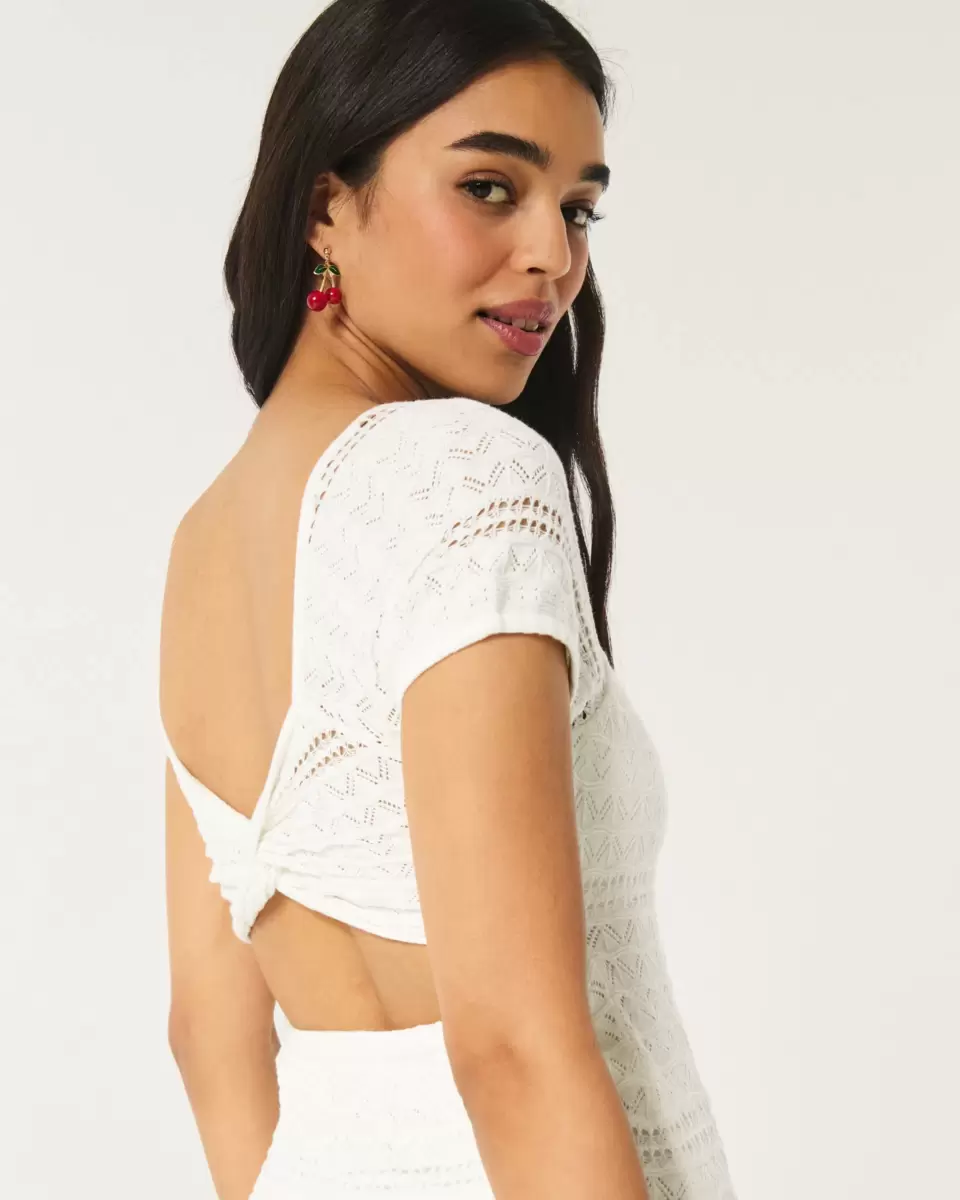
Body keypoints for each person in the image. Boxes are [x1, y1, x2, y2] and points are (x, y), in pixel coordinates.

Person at [158, 2, 739, 1197]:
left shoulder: (205, 541)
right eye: (489, 188)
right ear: (326, 207)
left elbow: (211, 1035)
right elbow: (514, 1050)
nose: (552, 255)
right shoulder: (464, 474)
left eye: (577, 209)